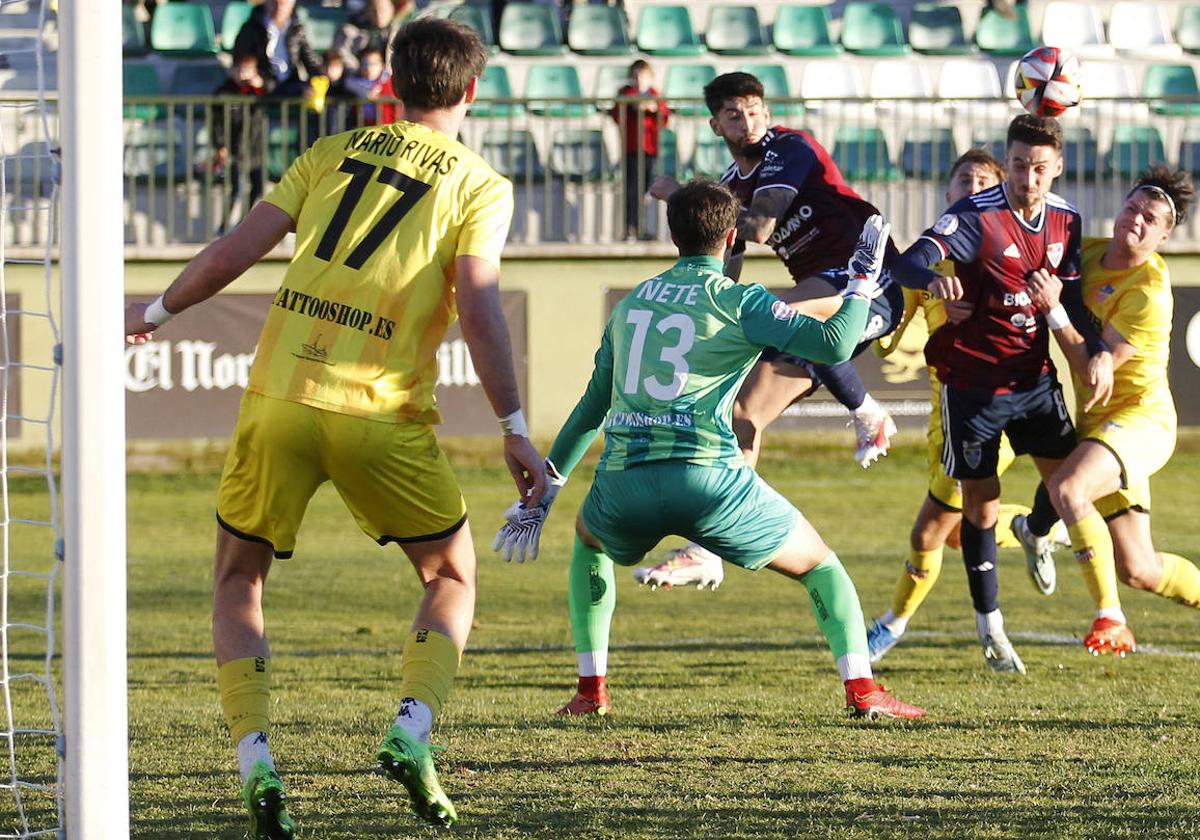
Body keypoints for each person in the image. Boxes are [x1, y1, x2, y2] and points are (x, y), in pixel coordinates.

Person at [125, 18, 545, 837]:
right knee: (450, 577)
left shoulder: (330, 153)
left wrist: (152, 312)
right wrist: (515, 426)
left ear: (390, 81)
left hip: (281, 395)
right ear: (468, 91)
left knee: (238, 578)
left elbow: (232, 252)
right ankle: (412, 731)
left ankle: (256, 762)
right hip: (378, 411)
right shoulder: (480, 186)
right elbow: (481, 307)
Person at [494, 179, 924, 722]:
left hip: (625, 483)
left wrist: (547, 488)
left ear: (672, 235)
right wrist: (860, 285)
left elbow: (591, 407)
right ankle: (862, 690)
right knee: (823, 568)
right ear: (730, 238)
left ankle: (590, 691)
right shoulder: (741, 300)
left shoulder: (631, 304)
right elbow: (835, 344)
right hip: (708, 480)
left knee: (589, 542)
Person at [634, 71, 906, 590]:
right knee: (743, 414)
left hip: (867, 283)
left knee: (780, 314)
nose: (750, 120)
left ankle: (867, 410)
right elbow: (726, 266)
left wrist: (684, 196)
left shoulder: (790, 148)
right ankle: (707, 549)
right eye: (735, 114)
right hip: (817, 297)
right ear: (716, 124)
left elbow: (758, 227)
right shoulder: (729, 186)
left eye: (755, 109)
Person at [890, 113, 1111, 675]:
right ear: (1007, 163)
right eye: (1017, 165)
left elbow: (1078, 301)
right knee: (980, 508)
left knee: (1066, 487)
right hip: (973, 387)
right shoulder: (975, 216)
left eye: (1039, 168)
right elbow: (909, 259)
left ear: (1057, 168)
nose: (1027, 178)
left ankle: (1036, 532)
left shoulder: (1066, 220)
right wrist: (933, 278)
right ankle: (991, 628)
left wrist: (1097, 347)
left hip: (1035, 381)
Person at [865, 149, 1067, 662]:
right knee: (955, 534)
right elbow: (889, 332)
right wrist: (873, 323)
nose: (974, 185)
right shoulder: (927, 265)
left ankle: (894, 624)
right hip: (946, 421)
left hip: (984, 407)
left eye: (985, 179)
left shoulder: (1008, 251)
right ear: (950, 193)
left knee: (931, 529)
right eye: (964, 178)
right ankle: (1034, 527)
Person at [1023, 166, 1200, 655]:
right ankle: (1034, 528)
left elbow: (1089, 370)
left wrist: (1055, 311)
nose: (1136, 221)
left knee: (1069, 488)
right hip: (1102, 424)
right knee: (1140, 568)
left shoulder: (1148, 293)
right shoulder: (1094, 253)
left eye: (1150, 219)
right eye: (1132, 208)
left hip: (1143, 422)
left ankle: (1110, 617)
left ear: (1165, 235)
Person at [611, 59, 669, 241]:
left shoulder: (655, 95)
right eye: (635, 76)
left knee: (645, 191)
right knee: (631, 189)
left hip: (650, 149)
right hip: (631, 149)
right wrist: (633, 105)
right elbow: (616, 115)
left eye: (643, 76)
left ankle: (641, 227)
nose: (639, 80)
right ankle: (630, 228)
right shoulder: (625, 94)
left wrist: (652, 108)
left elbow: (664, 118)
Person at [211, 50, 268, 236]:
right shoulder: (223, 92)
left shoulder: (259, 91)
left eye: (248, 70)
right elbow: (216, 122)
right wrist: (220, 145)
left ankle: (243, 226)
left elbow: (277, 90)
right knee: (236, 189)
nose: (243, 75)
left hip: (255, 148)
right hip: (234, 148)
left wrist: (262, 87)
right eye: (240, 70)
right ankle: (223, 228)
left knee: (257, 188)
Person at [233, 0, 324, 99]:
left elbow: (310, 60)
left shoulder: (296, 29)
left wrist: (320, 79)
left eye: (283, 3)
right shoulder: (250, 29)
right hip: (261, 89)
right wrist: (255, 77)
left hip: (291, 86)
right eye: (274, 2)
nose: (279, 7)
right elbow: (240, 61)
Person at [334, 0, 413, 72]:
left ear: (392, 10)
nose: (378, 14)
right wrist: (362, 71)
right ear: (367, 11)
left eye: (383, 10)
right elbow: (341, 53)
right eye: (374, 10)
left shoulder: (402, 34)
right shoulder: (351, 32)